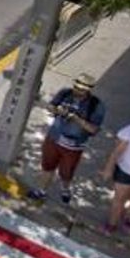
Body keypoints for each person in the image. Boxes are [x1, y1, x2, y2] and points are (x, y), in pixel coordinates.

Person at [26, 74, 106, 205]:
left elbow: (94, 129)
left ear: (89, 89)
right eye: (76, 87)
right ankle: (41, 191)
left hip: (73, 146)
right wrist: (56, 109)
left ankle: (65, 189)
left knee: (66, 172)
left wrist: (76, 119)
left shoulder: (96, 106)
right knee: (48, 167)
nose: (77, 90)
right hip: (54, 138)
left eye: (81, 89)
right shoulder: (65, 93)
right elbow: (51, 106)